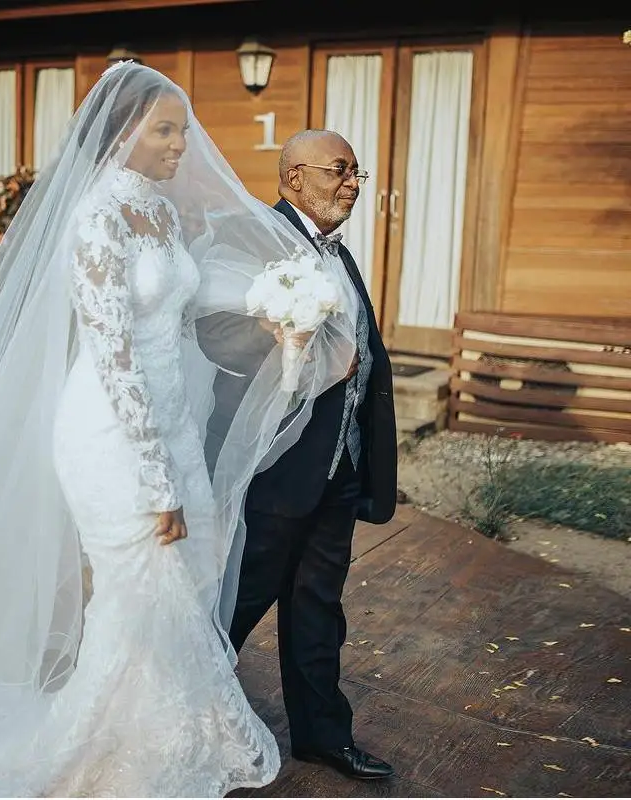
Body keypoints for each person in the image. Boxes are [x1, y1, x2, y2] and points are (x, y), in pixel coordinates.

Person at [0, 67, 358, 796]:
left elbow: (189, 292)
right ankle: (99, 750)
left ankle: (160, 731)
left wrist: (276, 300)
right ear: (121, 133)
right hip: (113, 435)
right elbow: (113, 358)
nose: (183, 144)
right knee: (139, 591)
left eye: (182, 128)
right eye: (166, 130)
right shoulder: (95, 220)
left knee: (190, 578)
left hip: (173, 422)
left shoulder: (160, 213)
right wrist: (155, 481)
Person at [198, 130, 398, 782]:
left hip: (338, 465)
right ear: (293, 179)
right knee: (236, 604)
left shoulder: (336, 252)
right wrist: (279, 337)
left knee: (319, 608)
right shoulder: (253, 239)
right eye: (340, 170)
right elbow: (213, 330)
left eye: (356, 172)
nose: (352, 183)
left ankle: (321, 737)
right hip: (275, 467)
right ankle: (184, 722)